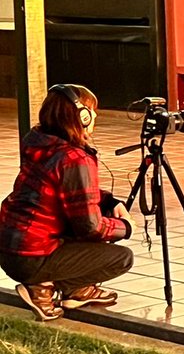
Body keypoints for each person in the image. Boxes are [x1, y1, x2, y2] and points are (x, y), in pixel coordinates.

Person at [0, 84, 134, 321]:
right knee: (121, 257)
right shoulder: (74, 157)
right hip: (32, 257)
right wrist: (124, 227)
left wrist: (109, 200)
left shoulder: (37, 142)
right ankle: (41, 290)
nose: (95, 117)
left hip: (8, 250)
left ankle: (76, 291)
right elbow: (90, 227)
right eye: (92, 112)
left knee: (78, 226)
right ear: (81, 116)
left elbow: (65, 188)